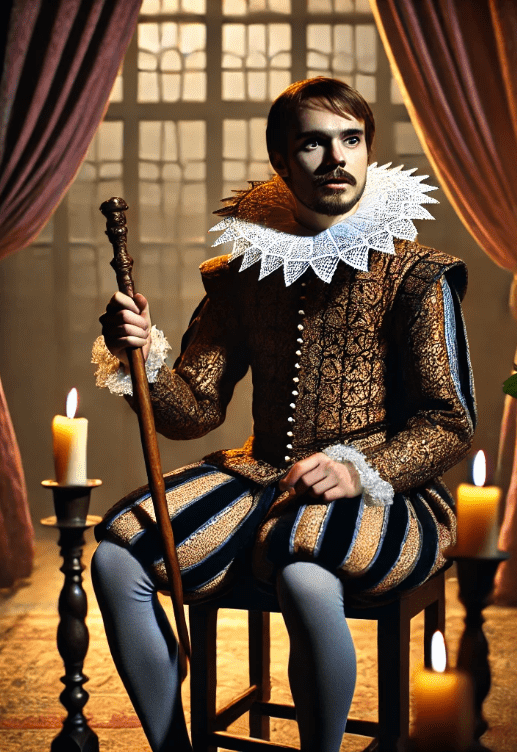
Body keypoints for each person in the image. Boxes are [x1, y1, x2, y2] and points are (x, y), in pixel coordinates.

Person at [89, 77, 475, 752]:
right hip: (260, 474)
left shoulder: (417, 274)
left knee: (302, 564)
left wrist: (360, 470)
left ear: (369, 151)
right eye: (314, 143)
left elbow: (449, 420)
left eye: (351, 140)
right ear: (282, 160)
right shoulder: (245, 274)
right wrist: (145, 354)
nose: (336, 158)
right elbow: (194, 411)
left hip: (384, 485)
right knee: (116, 558)